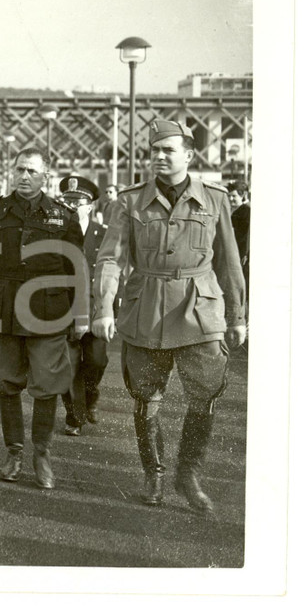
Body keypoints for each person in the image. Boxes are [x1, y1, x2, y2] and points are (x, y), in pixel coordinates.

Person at [92, 120, 246, 513]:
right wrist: (104, 306)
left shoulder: (214, 198)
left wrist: (238, 315)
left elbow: (229, 260)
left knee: (206, 393)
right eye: (154, 150)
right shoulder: (128, 201)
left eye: (168, 150)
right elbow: (111, 258)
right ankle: (155, 473)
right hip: (148, 309)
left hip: (201, 309)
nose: (159, 157)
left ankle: (188, 474)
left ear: (189, 156)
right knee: (146, 397)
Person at [0, 148, 86, 490]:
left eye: (32, 171)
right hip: (2, 306)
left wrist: (80, 313)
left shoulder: (63, 216)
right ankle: (14, 452)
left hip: (48, 309)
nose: (24, 176)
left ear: (45, 177)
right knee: (7, 381)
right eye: (20, 169)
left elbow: (76, 269)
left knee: (47, 384)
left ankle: (42, 454)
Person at [56, 175, 110, 436]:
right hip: (64, 307)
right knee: (68, 364)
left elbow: (114, 273)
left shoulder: (103, 234)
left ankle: (90, 396)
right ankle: (74, 415)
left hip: (95, 308)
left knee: (97, 361)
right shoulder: (56, 234)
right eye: (68, 202)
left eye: (78, 202)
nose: (73, 207)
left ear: (90, 206)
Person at [227, 179, 250, 318]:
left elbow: (245, 239)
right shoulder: (238, 211)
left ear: (243, 195)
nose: (231, 199)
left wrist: (242, 256)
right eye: (229, 196)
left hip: (241, 259)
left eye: (234, 196)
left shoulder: (246, 212)